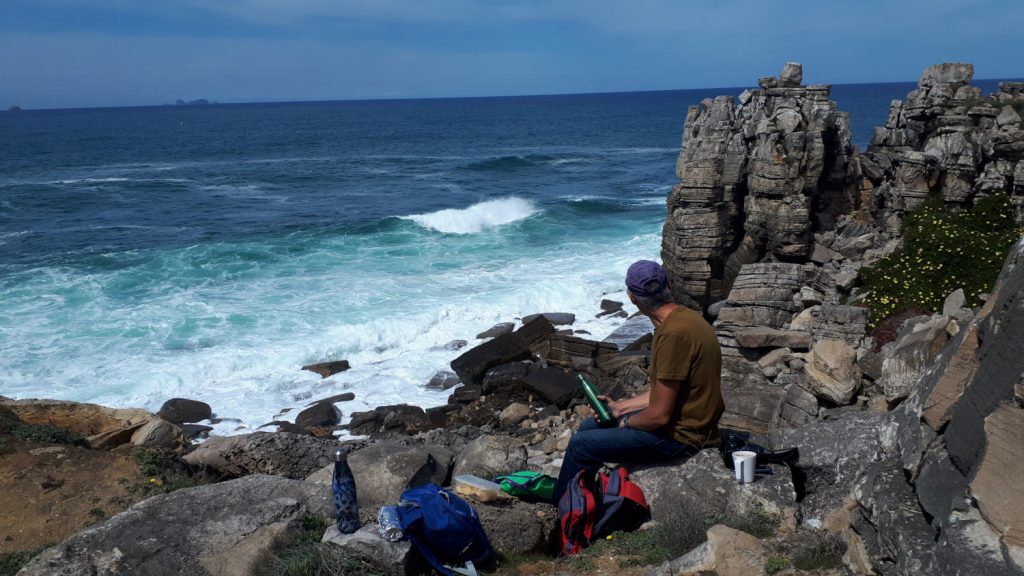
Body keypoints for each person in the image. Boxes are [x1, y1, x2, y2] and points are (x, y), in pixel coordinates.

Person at [552, 259, 725, 503]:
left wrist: (625, 424)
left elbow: (659, 416)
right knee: (590, 427)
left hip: (682, 438)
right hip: (692, 423)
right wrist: (620, 408)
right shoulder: (687, 319)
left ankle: (563, 512)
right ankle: (585, 499)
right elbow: (666, 392)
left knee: (581, 444)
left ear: (632, 298)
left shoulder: (672, 335)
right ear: (669, 285)